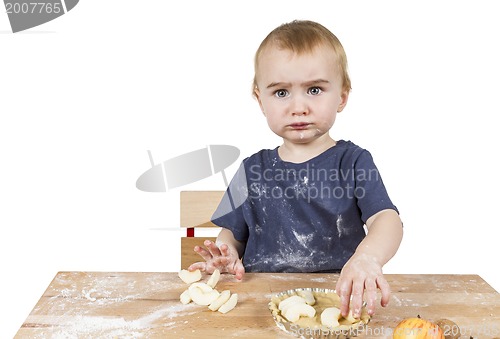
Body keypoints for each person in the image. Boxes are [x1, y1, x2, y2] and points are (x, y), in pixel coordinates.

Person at [189, 20, 403, 319]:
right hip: (259, 302)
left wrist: (368, 258)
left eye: (314, 89)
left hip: (337, 300)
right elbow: (232, 234)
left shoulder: (353, 162)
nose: (298, 106)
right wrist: (227, 255)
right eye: (280, 93)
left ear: (342, 96)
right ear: (260, 99)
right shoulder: (252, 169)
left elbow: (387, 219)